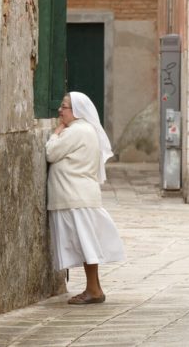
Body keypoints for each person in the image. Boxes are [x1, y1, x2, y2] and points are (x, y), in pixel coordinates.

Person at [45, 91, 126, 304]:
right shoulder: (86, 130)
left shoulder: (76, 131)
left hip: (75, 196)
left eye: (65, 107)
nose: (60, 110)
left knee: (86, 244)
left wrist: (56, 132)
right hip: (78, 195)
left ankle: (93, 290)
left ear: (77, 111)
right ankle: (94, 288)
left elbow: (51, 153)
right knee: (85, 244)